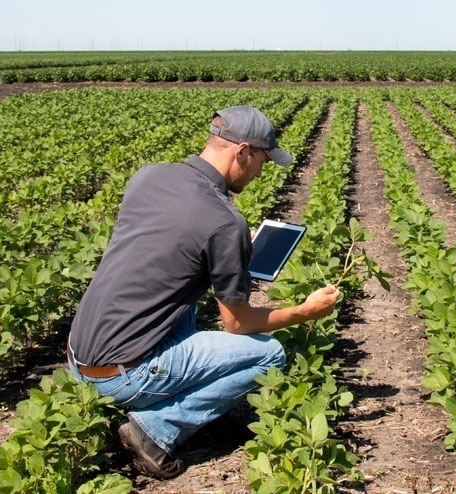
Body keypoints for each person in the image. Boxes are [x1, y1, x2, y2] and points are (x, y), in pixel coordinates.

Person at [66, 105, 340, 480]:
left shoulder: (149, 176)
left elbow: (167, 250)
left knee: (184, 301)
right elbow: (237, 324)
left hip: (79, 355)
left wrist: (230, 258)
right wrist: (305, 312)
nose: (262, 171)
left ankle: (148, 386)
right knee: (269, 354)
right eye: (262, 159)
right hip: (121, 375)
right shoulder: (225, 223)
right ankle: (155, 430)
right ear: (242, 151)